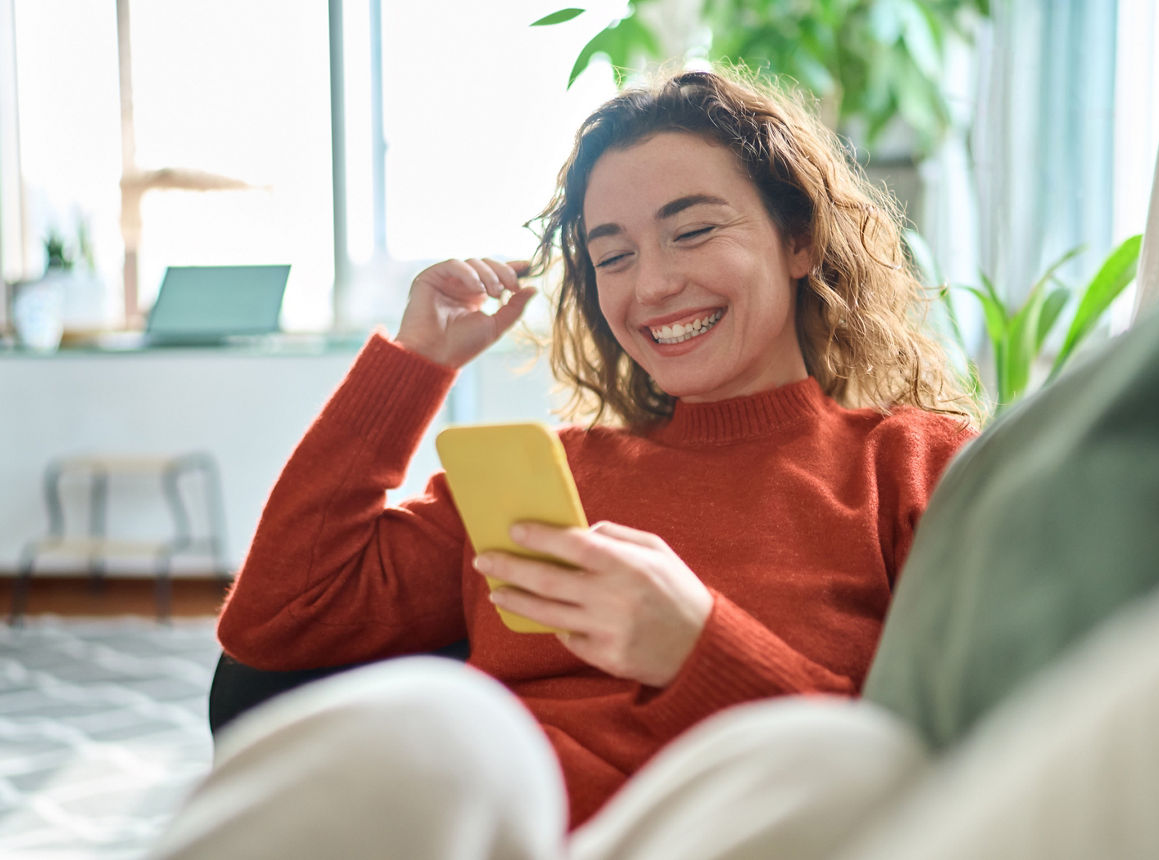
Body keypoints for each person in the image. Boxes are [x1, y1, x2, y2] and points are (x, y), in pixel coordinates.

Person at [157, 68, 977, 856]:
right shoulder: (550, 477)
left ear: (798, 240)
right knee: (444, 722)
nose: (651, 285)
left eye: (692, 231)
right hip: (510, 832)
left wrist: (697, 649)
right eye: (611, 255)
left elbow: (942, 770)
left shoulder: (914, 466)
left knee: (854, 762)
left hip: (734, 832)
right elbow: (276, 619)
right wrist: (413, 366)